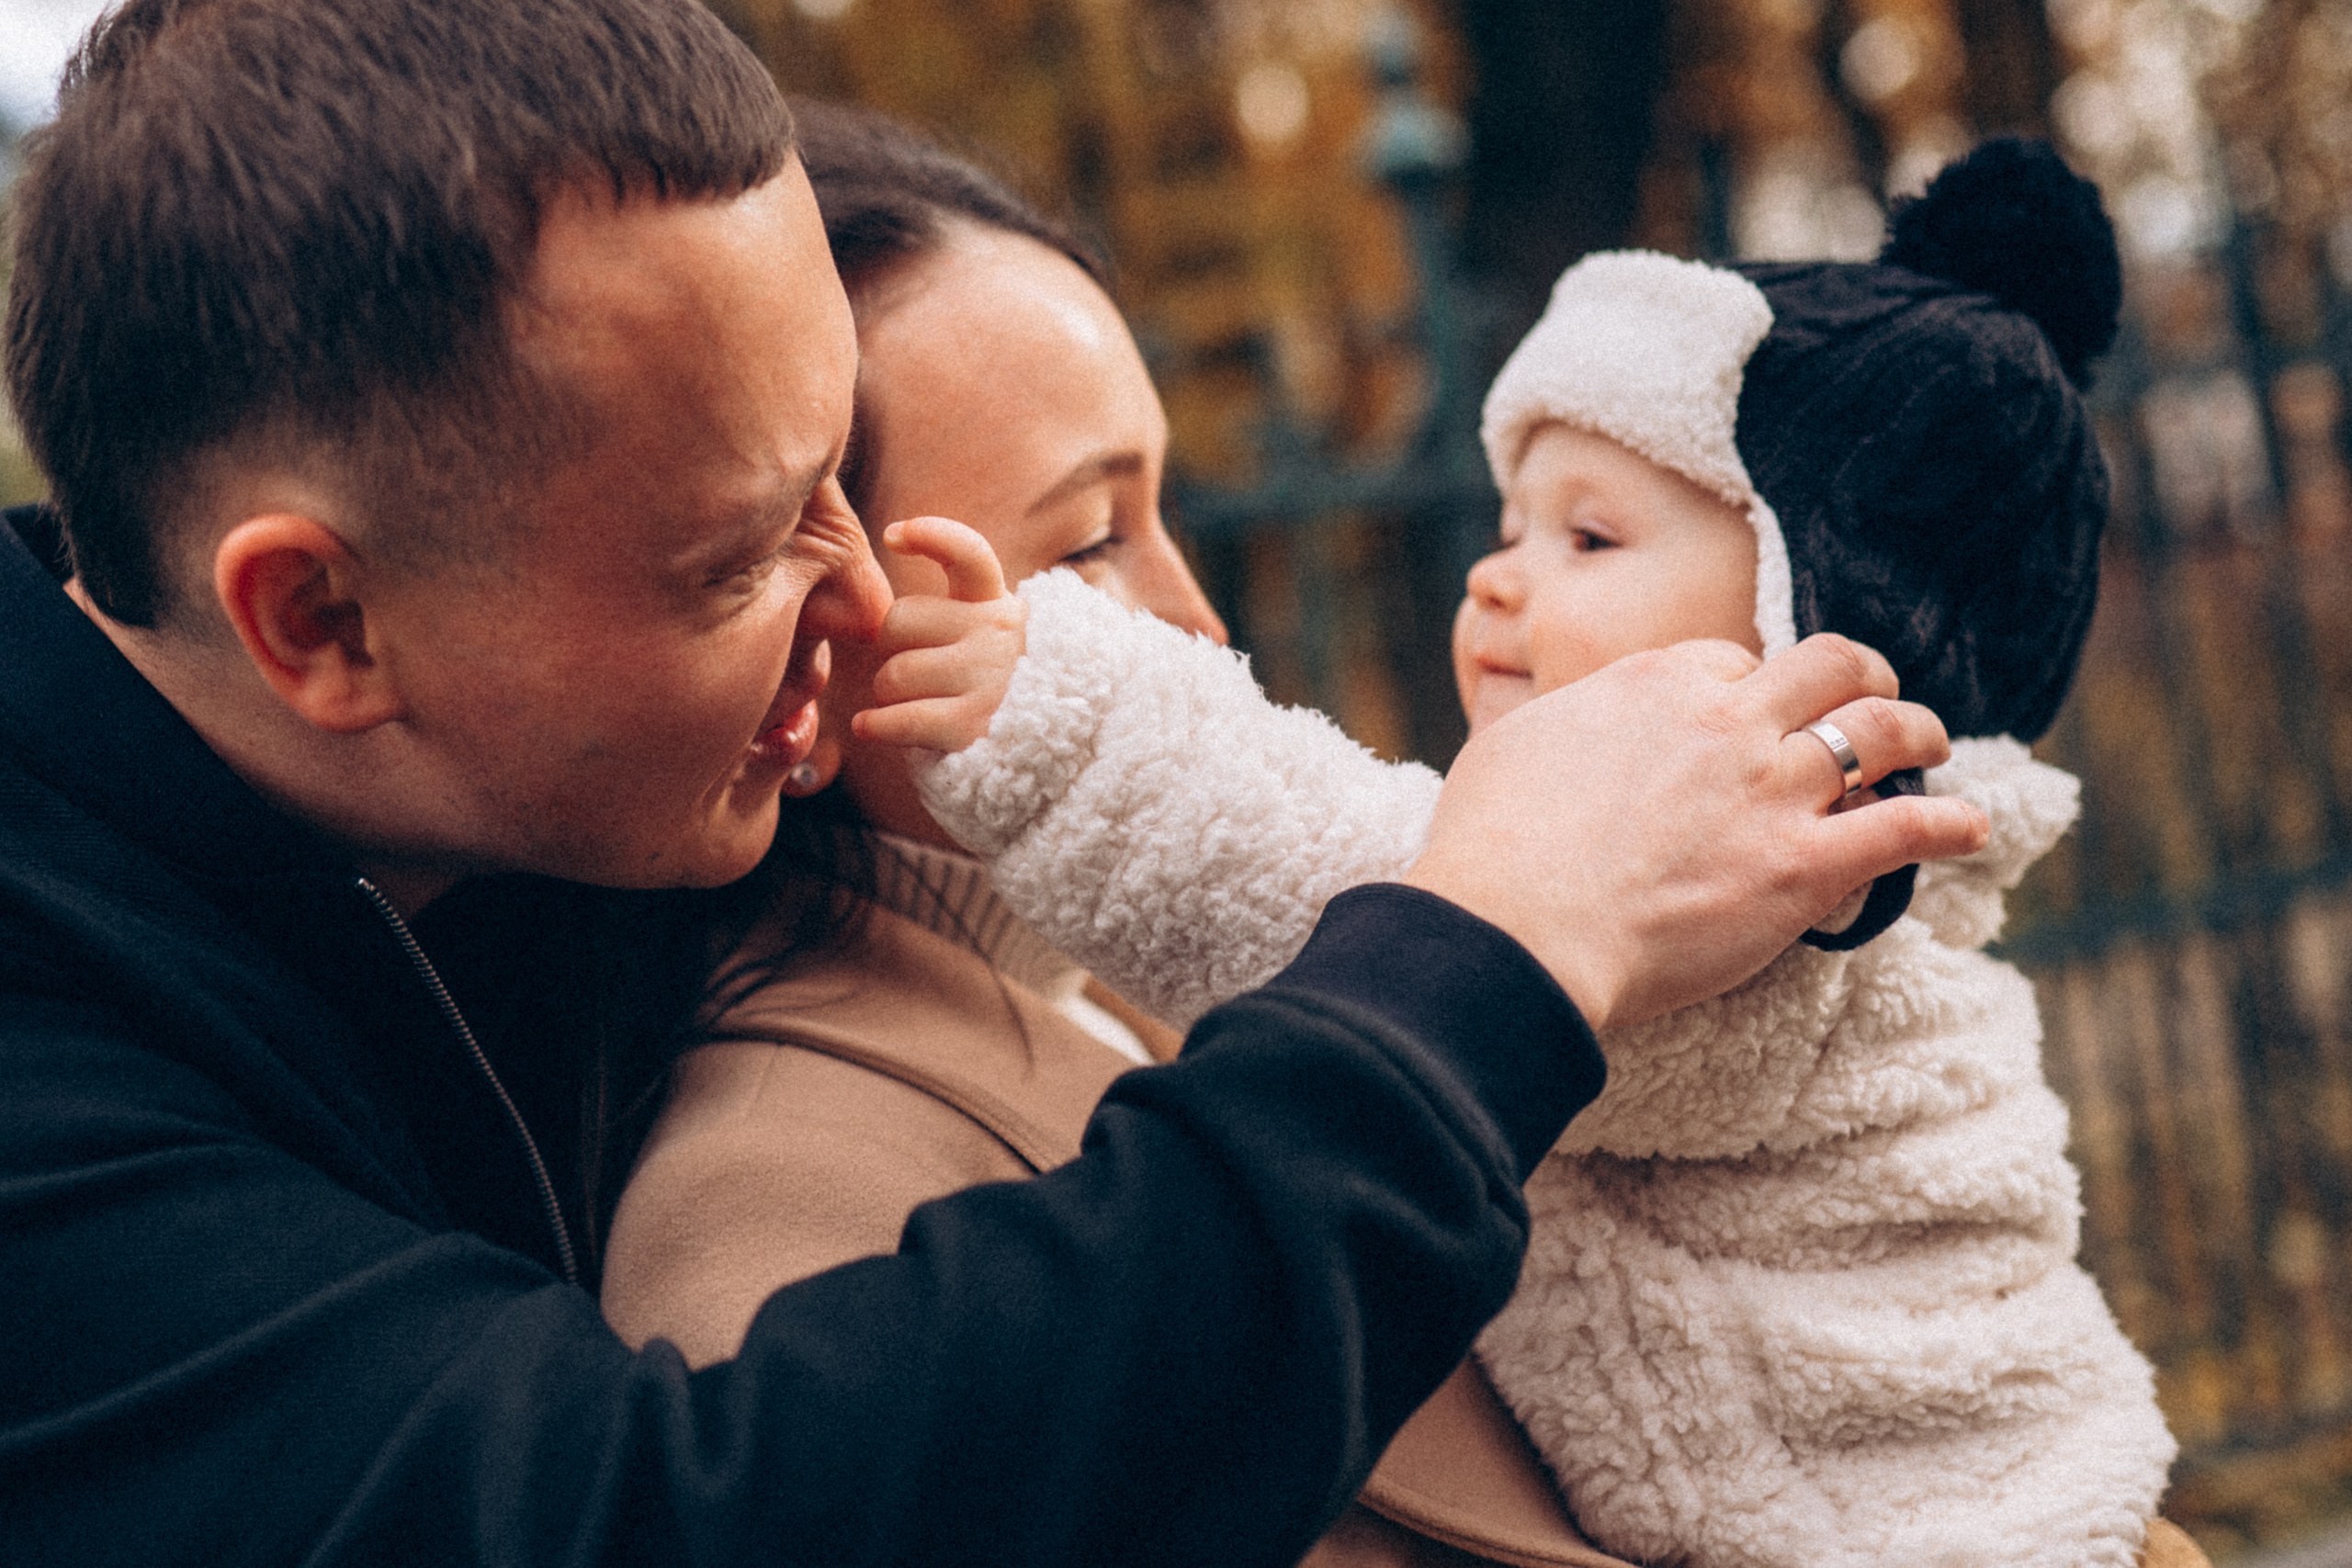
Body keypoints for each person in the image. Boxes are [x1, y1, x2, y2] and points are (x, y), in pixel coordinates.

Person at [0, 3, 1980, 1564]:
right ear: (323, 626)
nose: (866, 601)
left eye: (841, 484)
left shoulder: (501, 847)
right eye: (740, 552)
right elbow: (679, 1515)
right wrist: (1488, 955)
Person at [818, 141, 2207, 1567]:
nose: (1496, 574)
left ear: (1818, 643)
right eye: (1090, 548)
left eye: (1592, 537)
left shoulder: (1795, 916)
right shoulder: (799, 1175)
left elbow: (1353, 901)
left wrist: (1064, 712)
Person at [598, 102, 1620, 1568]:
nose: (1202, 621)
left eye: (1163, 510)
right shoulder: (777, 1215)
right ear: (813, 641)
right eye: (1086, 541)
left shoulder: (1185, 956)